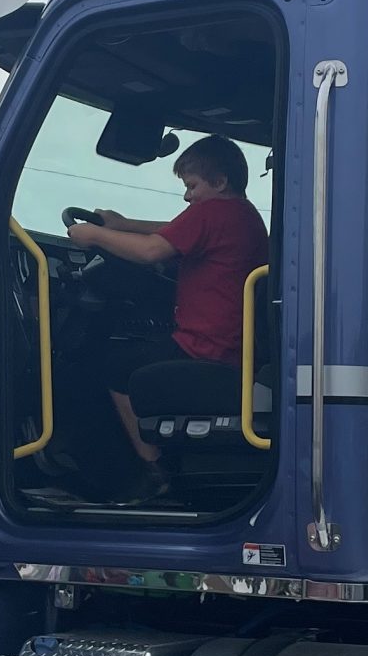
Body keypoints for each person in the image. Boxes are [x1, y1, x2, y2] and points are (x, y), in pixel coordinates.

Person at [69, 134, 270, 487]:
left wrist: (95, 236)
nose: (187, 196)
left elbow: (151, 251)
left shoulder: (212, 212)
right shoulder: (242, 214)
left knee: (113, 368)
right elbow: (171, 230)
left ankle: (155, 471)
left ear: (220, 182)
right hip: (231, 347)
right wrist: (123, 225)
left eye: (192, 186)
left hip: (204, 348)